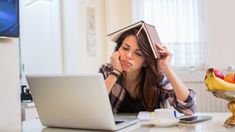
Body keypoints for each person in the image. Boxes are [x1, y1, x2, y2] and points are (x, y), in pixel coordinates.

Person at [99, 26, 196, 115]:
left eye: (138, 53)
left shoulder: (157, 77)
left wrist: (166, 68)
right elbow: (93, 104)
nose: (128, 55)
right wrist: (116, 72)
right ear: (117, 49)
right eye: (125, 48)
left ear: (145, 61)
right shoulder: (107, 71)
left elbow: (189, 110)